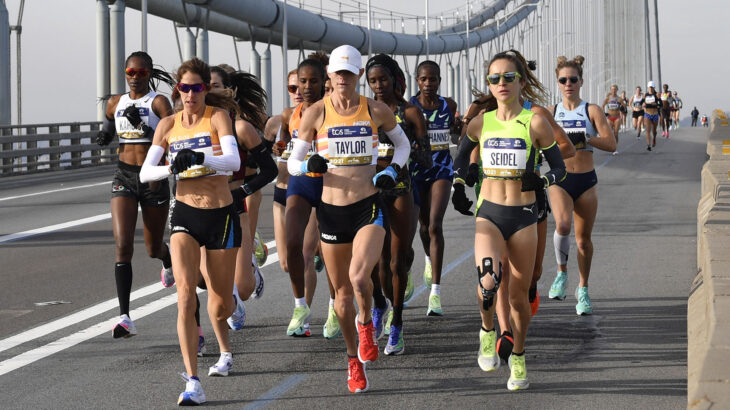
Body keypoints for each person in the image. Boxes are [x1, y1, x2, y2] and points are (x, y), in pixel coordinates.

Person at [288, 44, 410, 393]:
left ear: (358, 75)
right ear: (330, 75)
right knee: (341, 295)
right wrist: (308, 165)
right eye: (337, 73)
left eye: (349, 73)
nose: (343, 79)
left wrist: (392, 171)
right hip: (331, 211)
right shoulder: (314, 114)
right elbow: (293, 162)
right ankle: (353, 360)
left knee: (359, 277)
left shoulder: (376, 110)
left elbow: (401, 146)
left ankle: (367, 325)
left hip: (368, 206)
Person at [451, 50, 566, 391]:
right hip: (489, 214)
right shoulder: (481, 122)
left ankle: (518, 355)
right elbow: (459, 160)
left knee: (518, 298)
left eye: (508, 77)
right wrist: (460, 185)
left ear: (520, 82)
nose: (501, 83)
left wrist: (542, 181)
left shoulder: (535, 122)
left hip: (525, 216)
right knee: (488, 281)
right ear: (489, 84)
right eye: (494, 78)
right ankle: (487, 330)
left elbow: (559, 167)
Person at [139, 58, 242, 405]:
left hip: (220, 216)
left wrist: (200, 158)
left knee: (220, 304)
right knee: (185, 294)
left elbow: (233, 162)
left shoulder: (218, 117)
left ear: (205, 90)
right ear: (177, 90)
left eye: (197, 87)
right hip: (185, 215)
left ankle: (230, 315)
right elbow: (145, 174)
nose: (190, 94)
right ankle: (193, 381)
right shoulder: (167, 126)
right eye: (184, 88)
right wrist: (172, 164)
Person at [96, 51, 175, 339]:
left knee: (152, 248)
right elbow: (108, 122)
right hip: (124, 177)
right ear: (124, 72)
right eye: (130, 71)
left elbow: (172, 137)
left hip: (152, 177)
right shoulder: (115, 102)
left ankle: (167, 260)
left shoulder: (158, 102)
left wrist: (143, 126)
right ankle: (125, 317)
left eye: (141, 73)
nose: (135, 77)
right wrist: (105, 135)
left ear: (149, 74)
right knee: (123, 245)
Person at [366, 53, 429, 355]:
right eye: (373, 81)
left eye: (383, 79)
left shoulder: (411, 112)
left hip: (402, 188)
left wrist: (412, 151)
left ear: (394, 79)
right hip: (369, 191)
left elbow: (427, 157)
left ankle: (397, 325)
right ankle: (379, 304)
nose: (378, 86)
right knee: (374, 262)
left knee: (396, 260)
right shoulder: (365, 112)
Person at [546, 56, 616, 317]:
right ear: (558, 83)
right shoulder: (551, 112)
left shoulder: (592, 110)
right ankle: (561, 274)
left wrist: (588, 138)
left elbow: (611, 144)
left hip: (586, 181)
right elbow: (539, 142)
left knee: (583, 241)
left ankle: (583, 289)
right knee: (562, 225)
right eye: (563, 80)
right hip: (561, 179)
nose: (568, 84)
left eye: (573, 79)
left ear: (581, 81)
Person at [280, 52, 330, 337]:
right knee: (292, 244)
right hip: (301, 182)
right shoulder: (292, 115)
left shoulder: (332, 110)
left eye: (313, 81)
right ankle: (300, 305)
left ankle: (336, 305)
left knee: (331, 252)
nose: (306, 87)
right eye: (302, 82)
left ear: (325, 82)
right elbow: (289, 150)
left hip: (330, 185)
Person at [410, 60, 459, 316]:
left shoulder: (448, 105)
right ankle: (428, 260)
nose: (428, 84)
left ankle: (435, 294)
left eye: (433, 79)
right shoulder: (409, 108)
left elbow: (454, 136)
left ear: (440, 80)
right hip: (416, 172)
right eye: (423, 79)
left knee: (435, 225)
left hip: (441, 171)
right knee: (422, 227)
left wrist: (461, 129)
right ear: (416, 80)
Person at [602, 85, 623, 150]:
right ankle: (611, 145)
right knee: (609, 133)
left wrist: (622, 109)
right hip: (609, 117)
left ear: (617, 90)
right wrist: (604, 113)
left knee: (616, 133)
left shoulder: (619, 99)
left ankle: (615, 148)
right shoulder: (608, 98)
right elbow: (603, 106)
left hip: (617, 117)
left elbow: (624, 106)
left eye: (615, 89)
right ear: (611, 90)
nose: (613, 91)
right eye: (612, 89)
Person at [643, 81, 660, 151]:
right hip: (647, 114)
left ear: (654, 88)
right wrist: (643, 105)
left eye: (652, 88)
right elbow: (642, 103)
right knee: (647, 130)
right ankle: (648, 145)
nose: (651, 89)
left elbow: (660, 104)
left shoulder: (657, 95)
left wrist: (656, 104)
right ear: (648, 88)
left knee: (654, 130)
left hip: (655, 114)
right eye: (650, 87)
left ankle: (654, 138)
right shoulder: (645, 95)